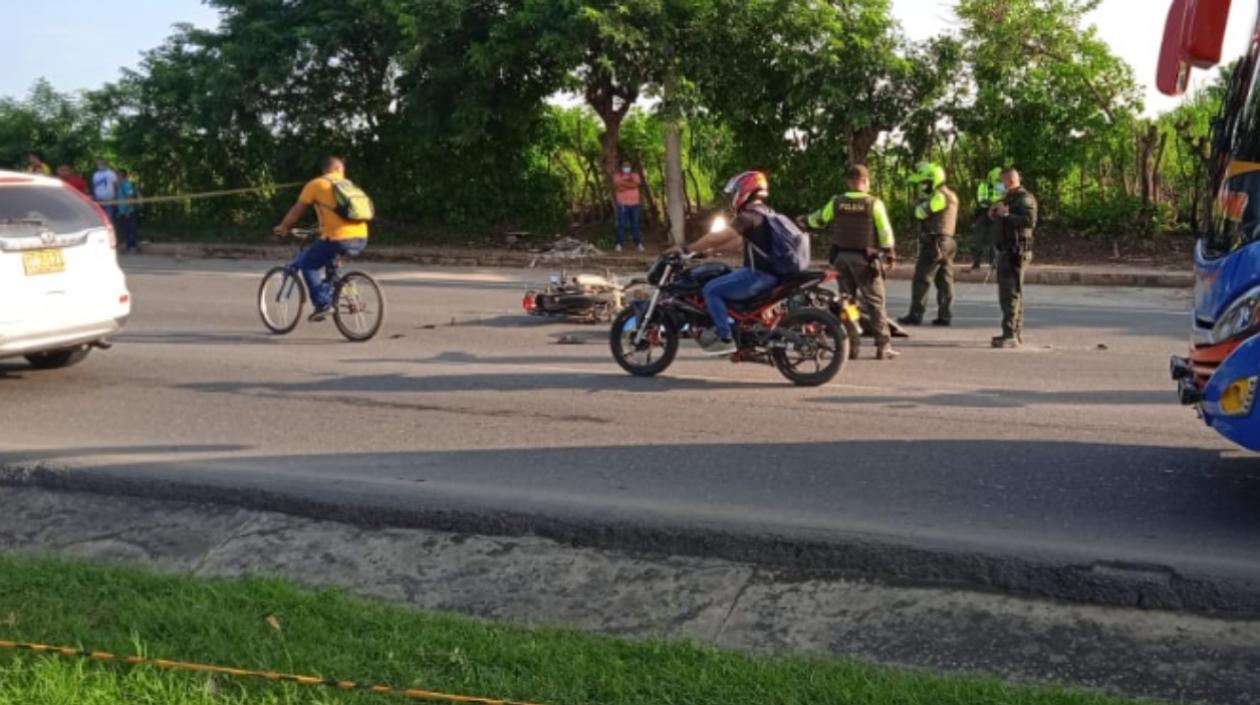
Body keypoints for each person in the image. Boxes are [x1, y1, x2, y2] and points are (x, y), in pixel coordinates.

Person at [672, 171, 778, 356]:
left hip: (759, 274)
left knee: (711, 289)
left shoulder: (748, 216)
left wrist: (688, 248)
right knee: (727, 276)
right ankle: (742, 331)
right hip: (770, 273)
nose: (734, 196)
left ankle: (725, 337)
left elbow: (721, 235)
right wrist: (709, 252)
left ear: (745, 190)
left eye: (736, 191)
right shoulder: (767, 213)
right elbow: (738, 241)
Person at [803, 165, 898, 360]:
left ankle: (852, 346)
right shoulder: (874, 203)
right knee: (875, 303)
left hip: (841, 260)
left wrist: (803, 220)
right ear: (865, 181)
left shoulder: (836, 202)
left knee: (848, 303)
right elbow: (885, 232)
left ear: (849, 182)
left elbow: (817, 220)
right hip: (865, 261)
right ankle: (883, 346)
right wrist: (889, 253)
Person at [273, 156, 370, 321]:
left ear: (325, 169)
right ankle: (348, 295)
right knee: (331, 263)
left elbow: (297, 211)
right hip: (361, 236)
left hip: (338, 238)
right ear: (339, 169)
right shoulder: (349, 185)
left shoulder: (316, 184)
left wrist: (283, 227)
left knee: (308, 265)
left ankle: (322, 305)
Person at [899, 162, 959, 327]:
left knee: (922, 279)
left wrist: (919, 202)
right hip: (947, 242)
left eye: (925, 182)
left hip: (935, 243)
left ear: (934, 180)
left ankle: (915, 314)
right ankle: (945, 315)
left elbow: (920, 213)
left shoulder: (939, 196)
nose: (923, 186)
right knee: (944, 280)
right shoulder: (950, 194)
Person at [989, 168, 1038, 348]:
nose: (999, 186)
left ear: (1009, 181)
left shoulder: (1024, 198)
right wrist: (995, 213)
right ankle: (1013, 332)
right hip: (1006, 249)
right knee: (1010, 293)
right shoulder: (1010, 198)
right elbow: (1003, 216)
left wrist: (1006, 214)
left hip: (1016, 251)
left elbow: (1029, 220)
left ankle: (1010, 334)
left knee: (1011, 293)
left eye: (1001, 182)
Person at [970, 167, 1004, 271]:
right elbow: (982, 200)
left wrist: (998, 206)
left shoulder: (1000, 185)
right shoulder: (984, 185)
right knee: (978, 239)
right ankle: (976, 263)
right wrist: (993, 204)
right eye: (998, 178)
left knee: (994, 239)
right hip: (983, 213)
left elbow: (1005, 198)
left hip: (997, 213)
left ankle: (994, 264)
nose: (1000, 180)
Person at [612, 158, 643, 252]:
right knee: (621, 224)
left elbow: (636, 184)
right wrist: (630, 184)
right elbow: (618, 186)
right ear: (621, 167)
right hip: (622, 204)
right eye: (625, 166)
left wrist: (624, 184)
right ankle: (619, 244)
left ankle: (638, 244)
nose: (626, 167)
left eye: (628, 166)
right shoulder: (617, 176)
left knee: (635, 224)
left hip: (635, 204)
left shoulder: (635, 175)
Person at [115, 170, 141, 253]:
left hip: (128, 212)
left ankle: (132, 247)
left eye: (118, 175)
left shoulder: (126, 185)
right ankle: (128, 246)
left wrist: (127, 211)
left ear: (122, 176)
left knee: (130, 230)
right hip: (122, 212)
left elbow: (130, 197)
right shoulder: (120, 186)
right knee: (126, 230)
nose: (116, 177)